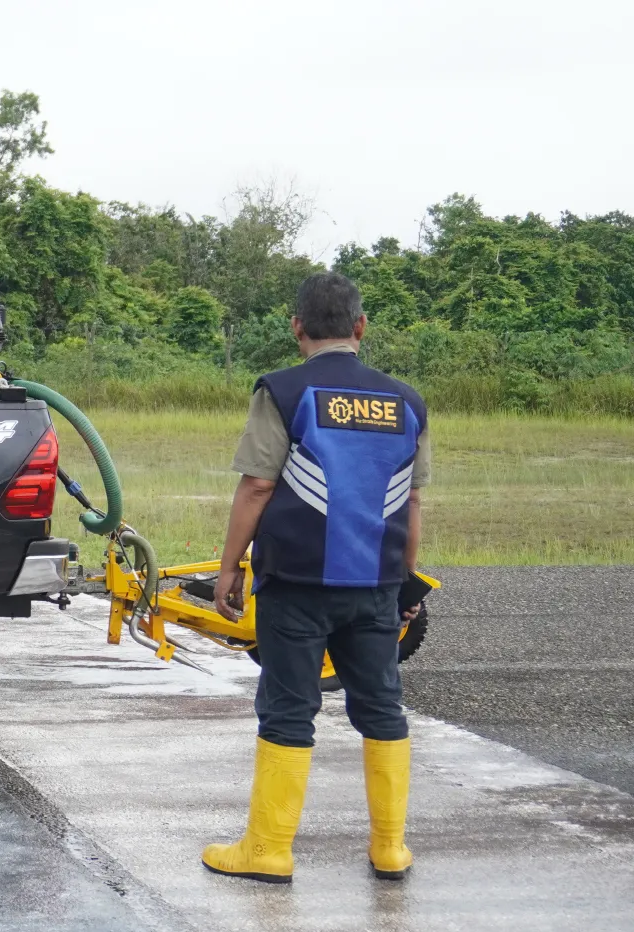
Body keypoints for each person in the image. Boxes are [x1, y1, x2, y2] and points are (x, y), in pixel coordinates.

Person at [204, 271, 430, 885]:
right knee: (382, 706)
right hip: (376, 585)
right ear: (361, 327)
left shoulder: (283, 391)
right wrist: (405, 586)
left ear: (297, 327)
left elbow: (257, 484)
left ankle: (269, 851)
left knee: (288, 710)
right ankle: (390, 849)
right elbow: (410, 502)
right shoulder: (406, 402)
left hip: (297, 584)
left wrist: (229, 567)